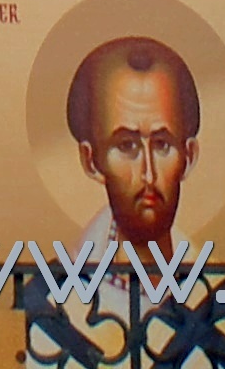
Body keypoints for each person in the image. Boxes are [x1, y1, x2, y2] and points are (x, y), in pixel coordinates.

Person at [68, 39, 203, 263]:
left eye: (162, 145)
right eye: (127, 146)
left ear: (188, 157)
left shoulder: (221, 292)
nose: (148, 175)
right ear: (91, 161)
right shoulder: (53, 294)